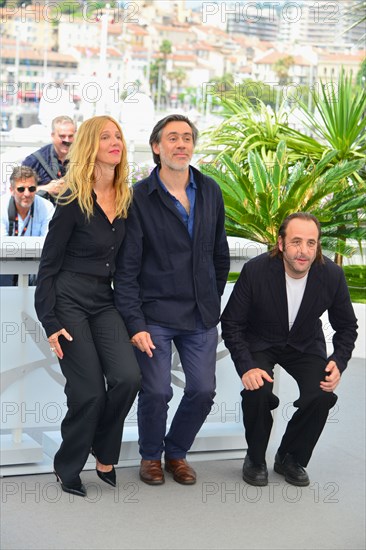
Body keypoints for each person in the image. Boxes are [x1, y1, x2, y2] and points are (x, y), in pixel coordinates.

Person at [114, 114, 230, 486]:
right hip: (155, 314)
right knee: (157, 390)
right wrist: (136, 323)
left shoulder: (210, 190)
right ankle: (151, 456)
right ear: (156, 147)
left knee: (202, 390)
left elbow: (219, 254)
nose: (181, 144)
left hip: (200, 313)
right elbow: (127, 269)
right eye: (173, 138)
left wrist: (211, 298)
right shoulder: (138, 197)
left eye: (187, 138)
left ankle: (177, 452)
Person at [34, 115, 141, 498]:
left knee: (129, 377)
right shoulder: (70, 198)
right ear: (90, 146)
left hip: (104, 300)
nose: (115, 141)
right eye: (105, 136)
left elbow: (128, 266)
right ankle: (68, 465)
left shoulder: (127, 198)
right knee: (89, 392)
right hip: (68, 301)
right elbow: (47, 267)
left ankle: (105, 449)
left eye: (119, 135)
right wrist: (50, 321)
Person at [220, 212, 358, 487]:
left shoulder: (331, 274)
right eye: (296, 242)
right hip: (262, 340)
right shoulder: (256, 270)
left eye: (311, 243)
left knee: (321, 395)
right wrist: (247, 366)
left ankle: (289, 457)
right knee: (257, 390)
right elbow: (232, 323)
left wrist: (338, 362)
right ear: (281, 244)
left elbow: (347, 327)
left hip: (305, 344)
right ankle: (255, 458)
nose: (303, 251)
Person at [0, 166, 55, 285]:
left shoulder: (47, 207)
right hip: (5, 265)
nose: (27, 194)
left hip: (37, 265)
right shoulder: (1, 206)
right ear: (11, 190)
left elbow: (49, 244)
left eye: (31, 188)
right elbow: (2, 246)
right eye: (21, 189)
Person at [22, 115, 76, 202]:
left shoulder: (82, 158)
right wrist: (46, 189)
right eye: (62, 136)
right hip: (44, 213)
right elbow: (19, 191)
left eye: (70, 136)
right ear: (52, 135)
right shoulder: (34, 161)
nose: (67, 140)